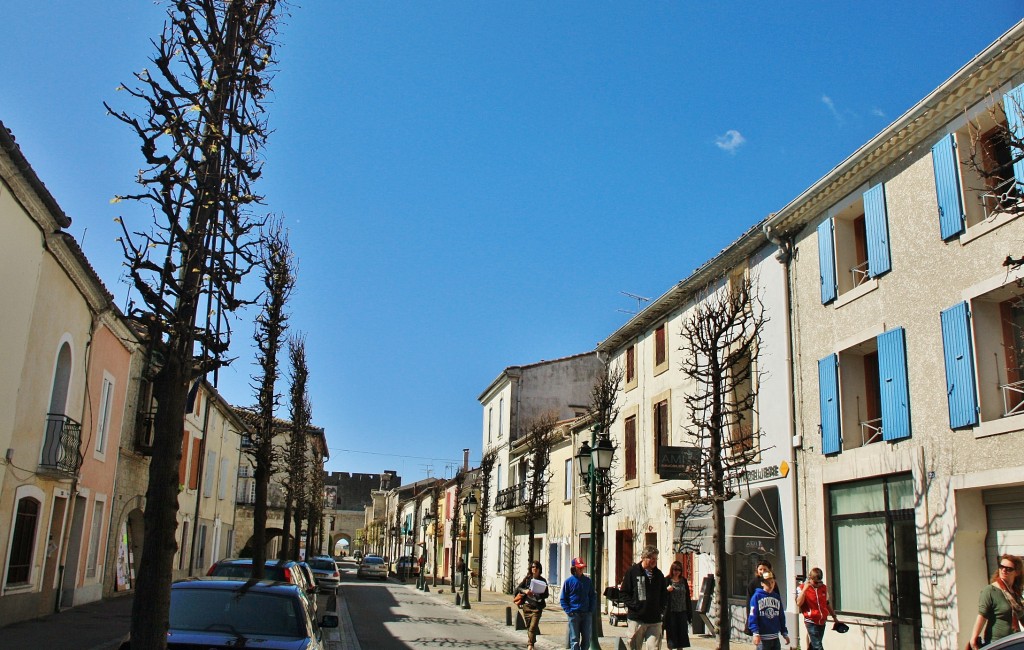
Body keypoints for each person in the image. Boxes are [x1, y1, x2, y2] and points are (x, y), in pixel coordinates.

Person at [970, 554, 1024, 648]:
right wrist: (973, 639)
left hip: (1014, 643)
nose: (1004, 570)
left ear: (1017, 572)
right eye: (1001, 567)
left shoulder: (1016, 593)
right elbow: (982, 616)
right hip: (997, 644)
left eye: (1008, 569)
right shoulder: (990, 590)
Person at [620, 546, 668, 650]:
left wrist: (660, 609)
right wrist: (634, 605)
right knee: (634, 647)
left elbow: (664, 594)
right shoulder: (632, 572)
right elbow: (624, 593)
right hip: (637, 619)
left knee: (653, 647)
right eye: (652, 558)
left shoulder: (659, 575)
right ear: (644, 558)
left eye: (656, 559)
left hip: (654, 620)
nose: (654, 561)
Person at [795, 567, 842, 650]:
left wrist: (835, 618)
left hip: (822, 621)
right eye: (816, 582)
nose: (818, 584)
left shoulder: (823, 588)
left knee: (814, 645)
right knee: (818, 646)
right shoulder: (801, 588)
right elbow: (799, 603)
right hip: (811, 621)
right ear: (810, 578)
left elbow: (827, 604)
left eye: (820, 582)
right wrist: (805, 590)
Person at [561, 557, 596, 650]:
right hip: (574, 614)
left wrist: (591, 611)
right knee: (574, 640)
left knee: (587, 640)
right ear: (574, 568)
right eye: (579, 567)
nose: (581, 569)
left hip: (586, 614)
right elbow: (563, 599)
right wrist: (569, 611)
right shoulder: (568, 582)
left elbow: (592, 596)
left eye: (582, 567)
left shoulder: (588, 581)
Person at [749, 571, 790, 650]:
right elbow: (753, 615)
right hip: (763, 638)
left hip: (775, 637)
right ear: (762, 584)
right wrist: (755, 633)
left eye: (772, 582)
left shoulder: (776, 597)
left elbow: (781, 615)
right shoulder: (756, 597)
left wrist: (784, 632)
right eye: (767, 583)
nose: (770, 585)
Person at [516, 560, 549, 650]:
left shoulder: (543, 580)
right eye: (533, 567)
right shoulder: (527, 579)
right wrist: (525, 591)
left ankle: (530, 645)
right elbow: (518, 588)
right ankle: (532, 645)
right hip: (527, 606)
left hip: (537, 607)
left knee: (533, 626)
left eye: (536, 567)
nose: (534, 569)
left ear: (539, 569)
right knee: (529, 627)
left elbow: (546, 594)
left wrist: (538, 594)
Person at [663, 560, 693, 649]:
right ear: (671, 570)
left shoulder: (683, 580)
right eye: (675, 569)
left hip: (682, 611)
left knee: (682, 634)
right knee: (672, 634)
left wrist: (689, 612)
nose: (677, 572)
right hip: (671, 612)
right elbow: (661, 594)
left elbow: (687, 596)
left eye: (679, 570)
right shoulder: (667, 580)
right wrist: (667, 590)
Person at [745, 560, 776, 636]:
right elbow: (749, 603)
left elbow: (777, 599)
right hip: (758, 616)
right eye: (760, 569)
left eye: (765, 569)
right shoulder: (753, 583)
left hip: (770, 615)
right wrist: (751, 620)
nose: (762, 571)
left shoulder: (773, 583)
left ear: (769, 570)